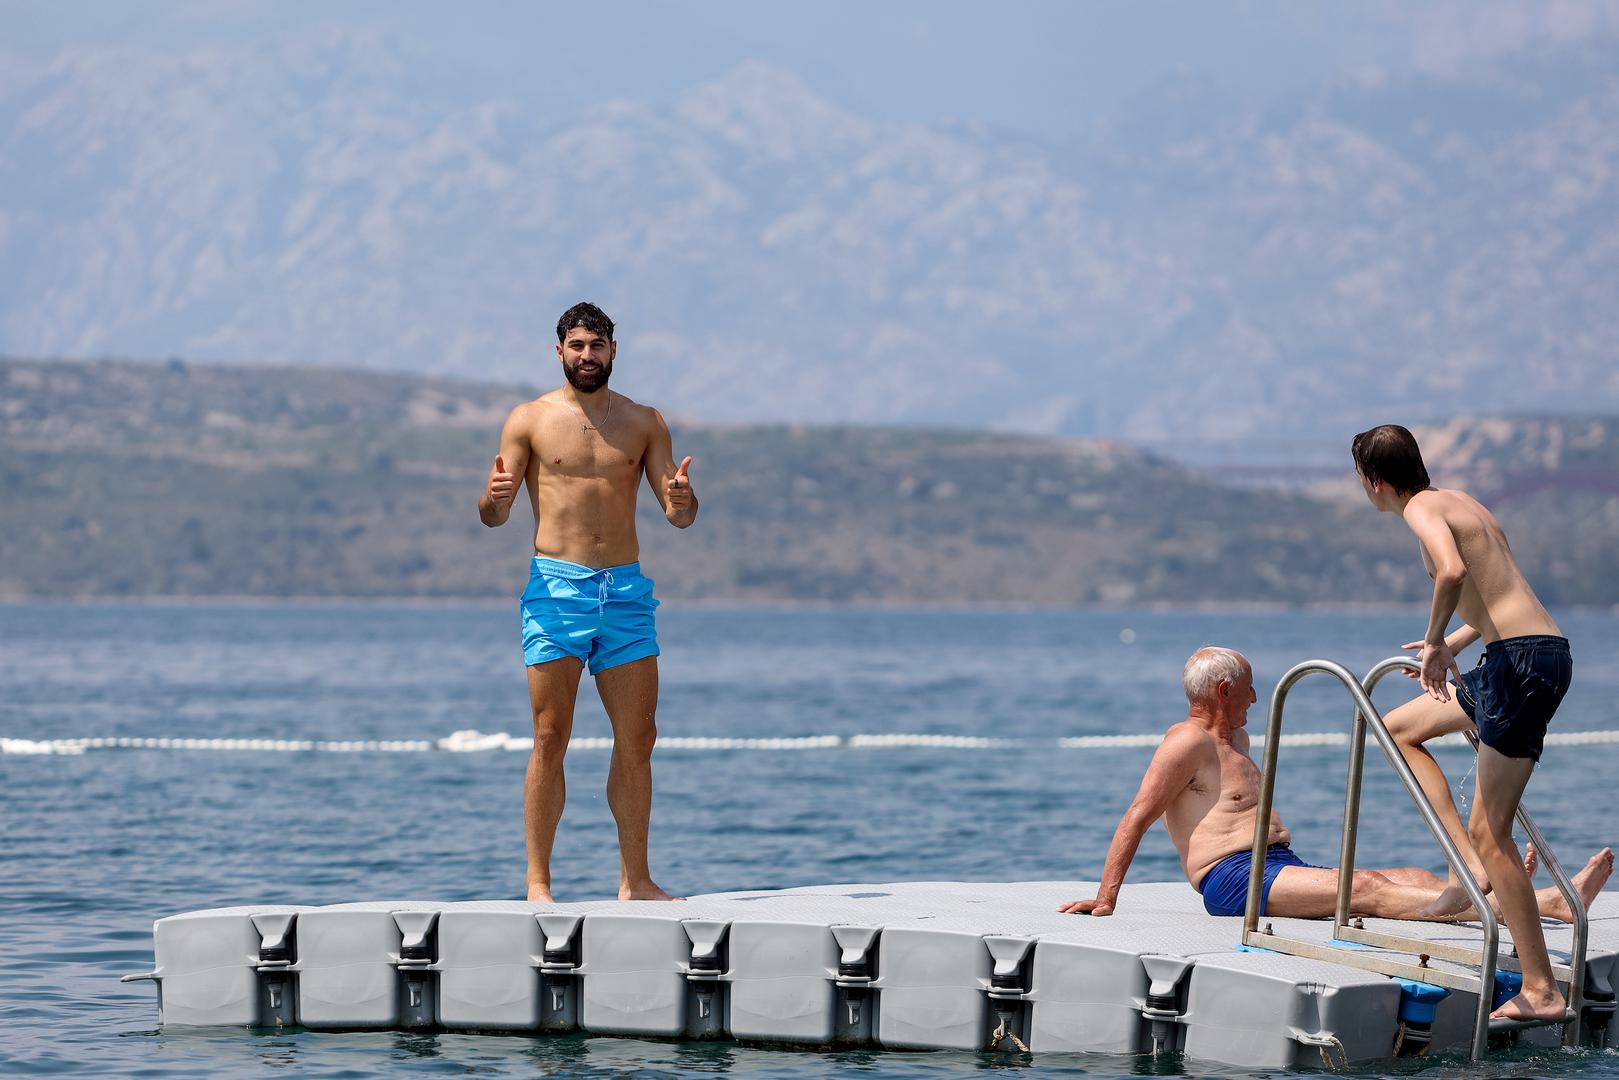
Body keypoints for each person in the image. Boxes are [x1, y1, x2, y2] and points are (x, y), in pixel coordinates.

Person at [1057, 647, 1610, 945]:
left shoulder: (1238, 737)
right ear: (1223, 691)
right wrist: (1106, 899)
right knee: (1369, 888)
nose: (1256, 695)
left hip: (1275, 864)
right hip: (1232, 879)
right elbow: (1137, 817)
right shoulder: (1185, 743)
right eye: (1249, 686)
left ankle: (1547, 903)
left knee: (1415, 879)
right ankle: (1526, 904)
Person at [1353, 423, 1579, 1022]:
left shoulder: (1421, 509)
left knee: (1493, 828)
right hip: (1527, 653)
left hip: (1520, 662)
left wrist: (1430, 644)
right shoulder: (1464, 502)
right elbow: (1497, 593)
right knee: (1399, 729)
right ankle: (1468, 868)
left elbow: (1452, 572)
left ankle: (1541, 992)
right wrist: (1453, 641)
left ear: (1373, 481)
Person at [478, 301, 697, 902]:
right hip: (556, 588)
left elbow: (677, 516)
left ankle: (636, 880)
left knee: (639, 737)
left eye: (596, 346)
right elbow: (495, 517)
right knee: (551, 734)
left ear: (613, 352)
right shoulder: (528, 420)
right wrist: (494, 497)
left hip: (624, 590)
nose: (587, 356)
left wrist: (682, 498)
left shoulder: (645, 422)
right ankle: (538, 882)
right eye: (576, 346)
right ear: (560, 352)